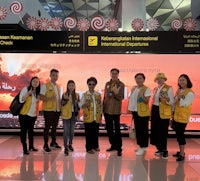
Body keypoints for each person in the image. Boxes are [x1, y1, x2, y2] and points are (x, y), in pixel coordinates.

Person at [150, 72, 174, 159]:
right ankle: (159, 149)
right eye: (158, 78)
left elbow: (171, 102)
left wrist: (167, 98)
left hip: (163, 112)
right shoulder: (155, 89)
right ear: (156, 80)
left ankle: (164, 150)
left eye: (161, 78)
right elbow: (154, 101)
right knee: (156, 130)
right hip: (155, 110)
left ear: (164, 79)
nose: (159, 80)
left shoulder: (169, 88)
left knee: (163, 132)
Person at [172, 74, 194, 162]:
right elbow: (174, 102)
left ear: (187, 81)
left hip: (183, 117)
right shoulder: (179, 91)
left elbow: (184, 103)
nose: (181, 82)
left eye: (183, 80)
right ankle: (180, 151)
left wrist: (179, 97)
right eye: (180, 80)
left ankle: (182, 153)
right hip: (176, 116)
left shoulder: (190, 92)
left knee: (180, 135)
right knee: (178, 135)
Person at [128, 73, 151, 156]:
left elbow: (146, 101)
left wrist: (141, 96)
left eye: (140, 78)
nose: (138, 80)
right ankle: (141, 146)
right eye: (137, 78)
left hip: (143, 113)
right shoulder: (134, 88)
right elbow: (132, 99)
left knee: (143, 130)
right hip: (135, 111)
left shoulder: (146, 89)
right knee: (138, 129)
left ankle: (143, 146)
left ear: (143, 80)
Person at [103, 68, 125, 156]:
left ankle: (119, 148)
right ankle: (113, 145)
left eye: (115, 73)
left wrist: (115, 93)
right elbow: (105, 96)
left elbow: (121, 97)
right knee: (109, 129)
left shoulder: (121, 84)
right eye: (112, 73)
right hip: (107, 109)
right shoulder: (107, 84)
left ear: (118, 75)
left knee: (117, 130)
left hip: (116, 111)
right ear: (110, 74)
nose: (114, 75)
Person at [40, 69, 61, 153]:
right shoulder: (45, 86)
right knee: (47, 127)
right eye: (53, 75)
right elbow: (41, 97)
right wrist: (49, 98)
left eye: (56, 75)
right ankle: (45, 145)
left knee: (54, 128)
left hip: (57, 110)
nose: (55, 77)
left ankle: (53, 143)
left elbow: (58, 98)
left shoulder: (58, 86)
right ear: (50, 76)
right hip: (48, 110)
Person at [79, 77, 102, 154]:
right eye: (90, 84)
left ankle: (95, 146)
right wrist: (85, 104)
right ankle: (89, 148)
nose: (91, 86)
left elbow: (100, 106)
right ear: (87, 85)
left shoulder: (98, 95)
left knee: (95, 132)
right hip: (88, 117)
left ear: (95, 85)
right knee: (88, 133)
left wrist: (101, 116)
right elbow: (80, 105)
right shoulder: (85, 95)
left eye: (93, 84)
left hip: (96, 117)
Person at [19, 76, 40, 155]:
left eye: (37, 82)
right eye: (34, 81)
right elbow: (21, 99)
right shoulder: (26, 89)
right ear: (31, 82)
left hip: (33, 115)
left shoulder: (37, 93)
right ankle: (25, 148)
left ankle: (31, 146)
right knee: (23, 131)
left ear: (38, 84)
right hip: (24, 114)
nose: (35, 83)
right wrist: (28, 93)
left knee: (31, 131)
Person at [61, 80, 80, 156]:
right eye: (69, 85)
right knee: (66, 131)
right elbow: (62, 104)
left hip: (73, 115)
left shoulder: (77, 95)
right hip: (66, 115)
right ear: (67, 86)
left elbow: (78, 106)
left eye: (72, 85)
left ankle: (70, 144)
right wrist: (65, 99)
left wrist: (78, 114)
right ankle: (65, 147)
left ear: (74, 86)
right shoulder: (64, 94)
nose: (71, 87)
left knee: (72, 131)